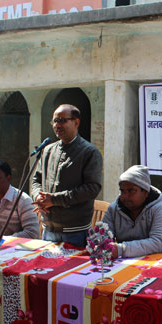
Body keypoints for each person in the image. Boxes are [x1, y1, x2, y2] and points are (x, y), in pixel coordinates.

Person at [31, 104, 103, 247]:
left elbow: (92, 189)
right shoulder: (48, 150)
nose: (57, 125)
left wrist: (54, 200)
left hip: (75, 231)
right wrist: (38, 197)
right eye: (55, 121)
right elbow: (36, 180)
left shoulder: (89, 152)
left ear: (76, 122)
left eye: (62, 120)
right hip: (48, 228)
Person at [102, 165, 162, 258]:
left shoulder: (160, 209)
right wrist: (100, 242)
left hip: (160, 260)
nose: (125, 196)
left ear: (146, 192)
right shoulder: (113, 209)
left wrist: (121, 249)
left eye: (131, 191)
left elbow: (156, 243)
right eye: (122, 191)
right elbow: (103, 235)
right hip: (124, 262)